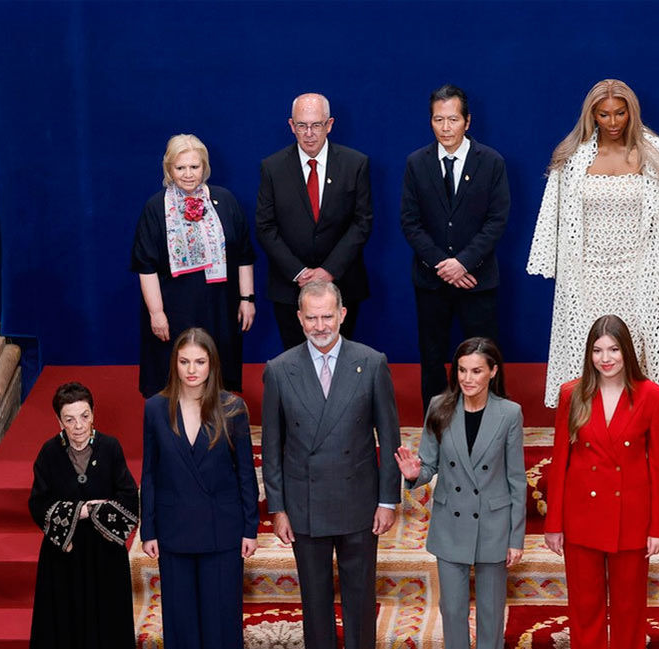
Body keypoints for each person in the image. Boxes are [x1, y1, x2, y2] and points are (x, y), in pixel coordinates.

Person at [261, 281, 402, 649]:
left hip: (360, 503)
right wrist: (278, 508)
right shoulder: (279, 369)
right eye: (311, 318)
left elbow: (390, 437)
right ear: (299, 319)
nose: (320, 326)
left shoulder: (371, 362)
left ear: (342, 313)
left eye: (327, 316)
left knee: (360, 601)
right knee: (315, 602)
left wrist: (387, 499)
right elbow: (273, 444)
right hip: (304, 507)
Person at [542, 315, 659, 649]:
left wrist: (658, 527)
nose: (605, 357)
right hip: (581, 520)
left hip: (631, 520)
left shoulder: (651, 396)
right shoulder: (572, 394)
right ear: (588, 354)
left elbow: (658, 466)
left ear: (626, 351)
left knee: (630, 612)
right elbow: (560, 462)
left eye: (613, 349)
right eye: (597, 350)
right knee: (586, 611)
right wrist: (554, 523)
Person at [527, 79, 659, 408]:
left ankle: (637, 425)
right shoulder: (573, 155)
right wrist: (553, 262)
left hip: (640, 271)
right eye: (604, 114)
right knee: (587, 351)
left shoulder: (655, 151)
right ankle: (585, 428)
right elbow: (553, 212)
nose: (613, 122)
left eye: (619, 113)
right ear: (592, 115)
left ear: (631, 113)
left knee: (635, 353)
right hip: (585, 274)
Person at [394, 338, 526, 649]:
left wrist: (515, 538)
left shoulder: (509, 413)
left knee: (488, 614)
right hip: (450, 525)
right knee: (452, 613)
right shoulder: (439, 406)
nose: (468, 378)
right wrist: (415, 475)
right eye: (462, 371)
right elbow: (429, 466)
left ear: (493, 373)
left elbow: (517, 480)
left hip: (493, 526)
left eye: (477, 371)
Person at [140, 328, 260, 649]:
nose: (192, 370)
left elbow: (246, 472)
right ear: (175, 364)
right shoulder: (156, 408)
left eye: (200, 361)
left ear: (212, 365)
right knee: (180, 618)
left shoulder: (233, 408)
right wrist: (149, 529)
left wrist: (249, 528)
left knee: (221, 616)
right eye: (185, 361)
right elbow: (151, 473)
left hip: (222, 531)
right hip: (173, 531)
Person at [25, 382, 142, 649]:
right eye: (70, 419)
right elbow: (38, 503)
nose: (78, 426)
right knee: (65, 625)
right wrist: (84, 511)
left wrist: (98, 512)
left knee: (106, 624)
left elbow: (128, 498)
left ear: (94, 414)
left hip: (105, 556)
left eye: (84, 416)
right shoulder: (48, 453)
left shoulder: (110, 447)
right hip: (63, 558)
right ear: (58, 421)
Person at [400, 84, 510, 407]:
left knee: (484, 358)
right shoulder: (416, 163)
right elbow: (410, 221)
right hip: (431, 282)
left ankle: (490, 427)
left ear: (468, 121)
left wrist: (463, 262)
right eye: (438, 120)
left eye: (452, 119)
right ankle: (436, 430)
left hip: (477, 281)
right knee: (432, 358)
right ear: (430, 121)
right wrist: (443, 265)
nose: (445, 128)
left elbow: (497, 221)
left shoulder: (491, 162)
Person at [131, 133, 256, 397]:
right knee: (174, 378)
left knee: (219, 373)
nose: (188, 174)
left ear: (205, 167)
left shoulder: (226, 200)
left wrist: (247, 298)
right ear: (169, 169)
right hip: (173, 311)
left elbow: (244, 254)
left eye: (194, 166)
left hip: (220, 308)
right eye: (180, 167)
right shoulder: (155, 208)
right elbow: (145, 265)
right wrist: (156, 313)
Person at [257, 93, 373, 350]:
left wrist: (329, 270)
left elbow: (361, 222)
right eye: (302, 126)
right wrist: (299, 273)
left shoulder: (356, 164)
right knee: (295, 366)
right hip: (289, 288)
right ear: (291, 126)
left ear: (329, 124)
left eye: (316, 125)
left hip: (343, 284)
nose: (309, 133)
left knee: (342, 362)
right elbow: (265, 227)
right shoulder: (272, 168)